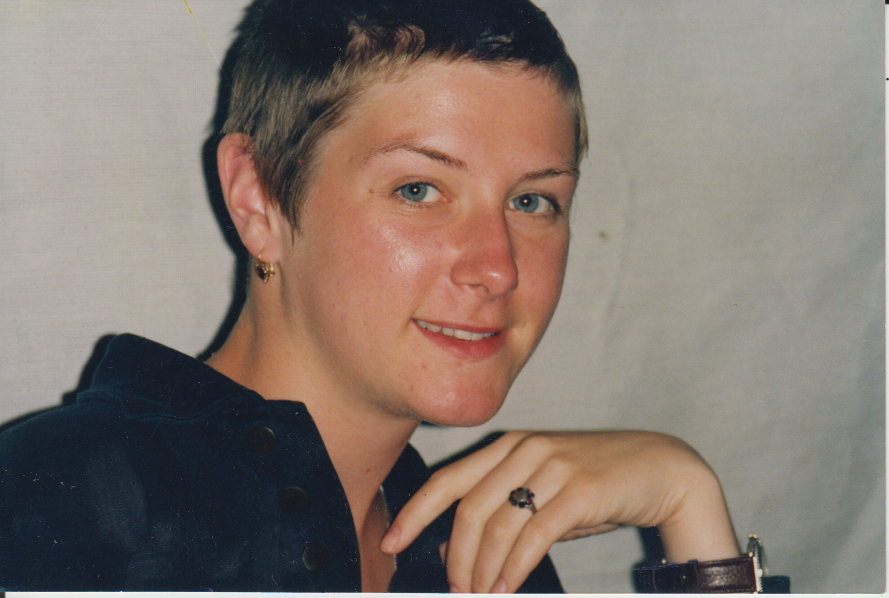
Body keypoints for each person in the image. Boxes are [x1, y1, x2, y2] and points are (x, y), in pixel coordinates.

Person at [0, 0, 776, 592]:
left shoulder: (481, 553)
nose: (497, 267)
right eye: (418, 189)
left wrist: (688, 504)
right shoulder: (52, 499)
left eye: (532, 201)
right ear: (258, 200)